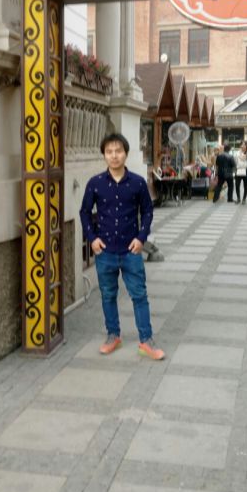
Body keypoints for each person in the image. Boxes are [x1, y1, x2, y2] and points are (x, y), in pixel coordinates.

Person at [80, 133, 165, 360]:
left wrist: (141, 238)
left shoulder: (137, 183)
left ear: (125, 153)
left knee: (139, 295)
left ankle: (146, 340)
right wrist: (92, 238)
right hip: (105, 251)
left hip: (131, 251)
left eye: (118, 151)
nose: (114, 155)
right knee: (108, 295)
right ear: (104, 155)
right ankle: (113, 336)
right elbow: (85, 212)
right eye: (109, 152)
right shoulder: (95, 183)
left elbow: (147, 211)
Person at [234, 140, 247, 205]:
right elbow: (235, 161)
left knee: (246, 186)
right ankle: (238, 198)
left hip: (246, 170)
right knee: (237, 185)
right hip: (239, 170)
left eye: (244, 145)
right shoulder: (237, 153)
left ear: (246, 146)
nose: (242, 146)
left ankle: (244, 199)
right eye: (242, 144)